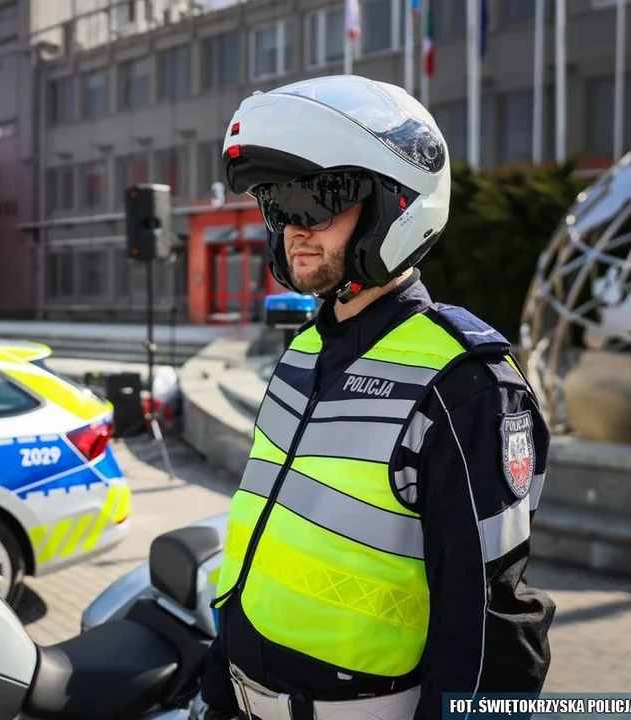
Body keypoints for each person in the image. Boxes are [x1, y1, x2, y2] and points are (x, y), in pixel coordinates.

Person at [200, 75, 555, 720]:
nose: (291, 229)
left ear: (395, 205)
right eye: (275, 204)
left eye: (315, 200)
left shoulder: (465, 384)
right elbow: (265, 534)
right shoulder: (304, 352)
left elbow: (491, 627)